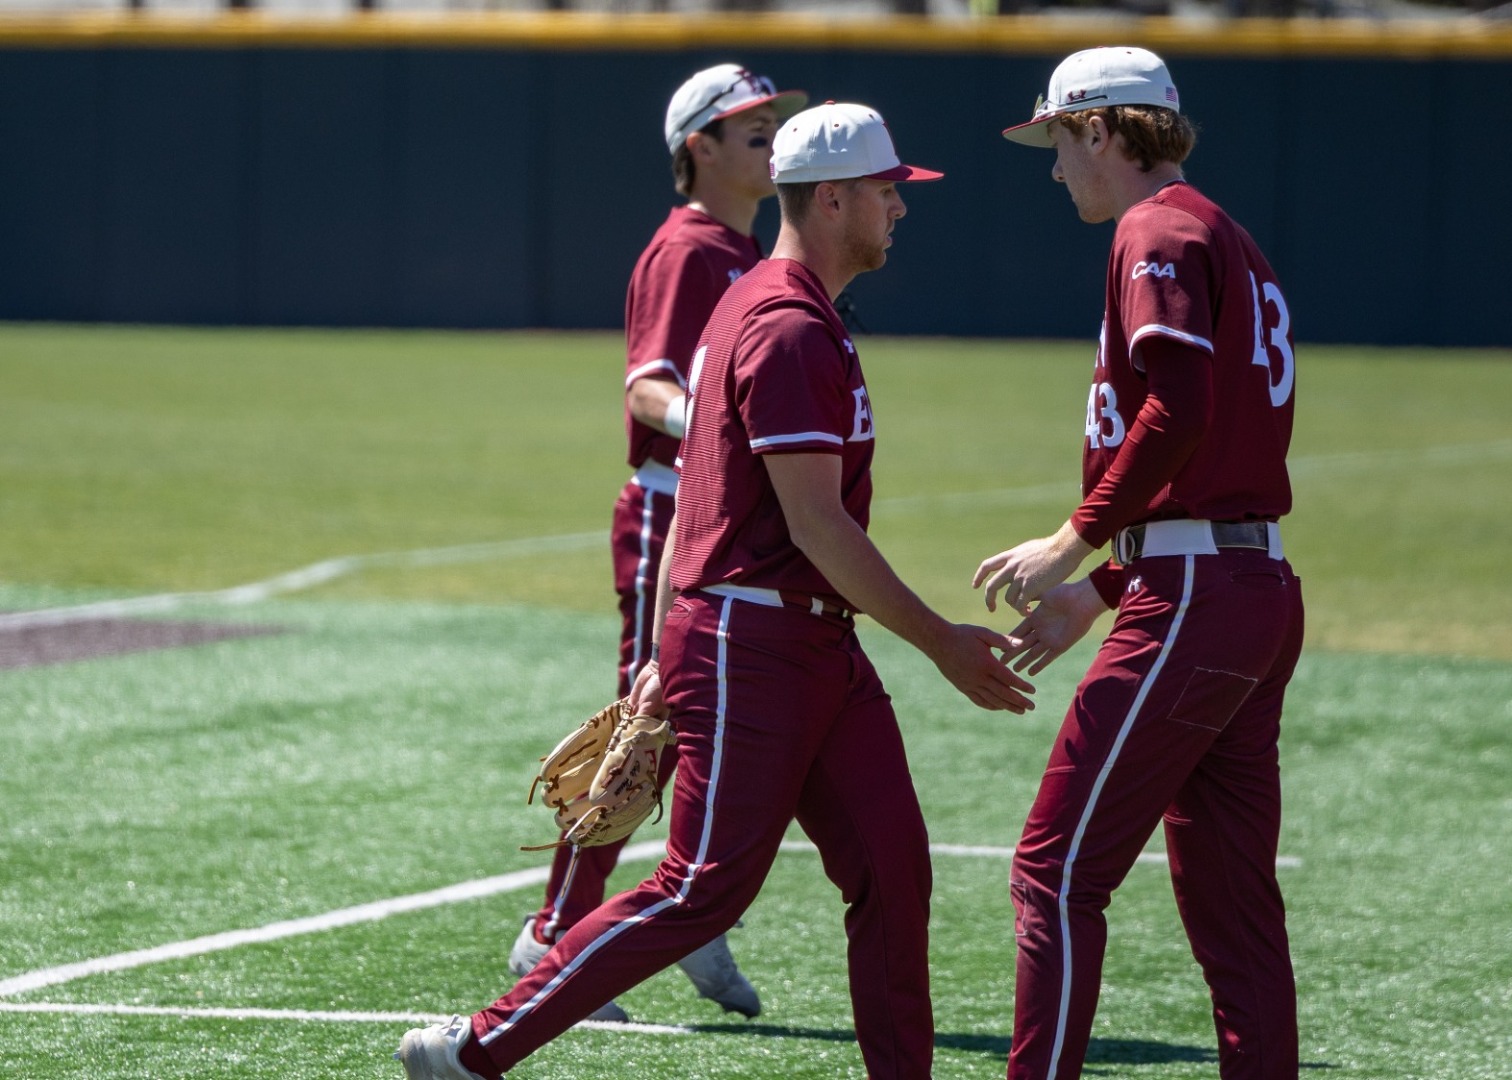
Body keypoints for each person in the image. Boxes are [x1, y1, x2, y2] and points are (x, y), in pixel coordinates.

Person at [397, 101, 1036, 1080]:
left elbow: (708, 495)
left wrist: (659, 648)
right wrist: (939, 640)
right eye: (886, 191)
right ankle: (475, 1047)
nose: (901, 209)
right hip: (755, 642)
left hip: (806, 642)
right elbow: (819, 526)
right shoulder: (781, 325)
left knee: (892, 869)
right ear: (832, 201)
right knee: (703, 887)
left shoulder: (783, 307)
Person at [977, 46, 1305, 1080]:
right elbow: (1224, 447)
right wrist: (1105, 588)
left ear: (1103, 132)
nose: (1055, 168)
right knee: (1231, 904)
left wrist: (1074, 541)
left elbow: (1179, 412)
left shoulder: (1154, 228)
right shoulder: (1224, 235)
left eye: (1060, 142)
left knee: (1054, 873)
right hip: (1247, 586)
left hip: (1199, 596)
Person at [506, 62, 805, 1023]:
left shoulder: (756, 254)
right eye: (745, 123)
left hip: (733, 516)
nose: (766, 131)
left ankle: (687, 907)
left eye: (771, 119)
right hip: (679, 509)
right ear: (698, 148)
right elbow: (647, 390)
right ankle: (557, 932)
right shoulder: (688, 249)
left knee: (705, 722)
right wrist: (730, 419)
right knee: (645, 726)